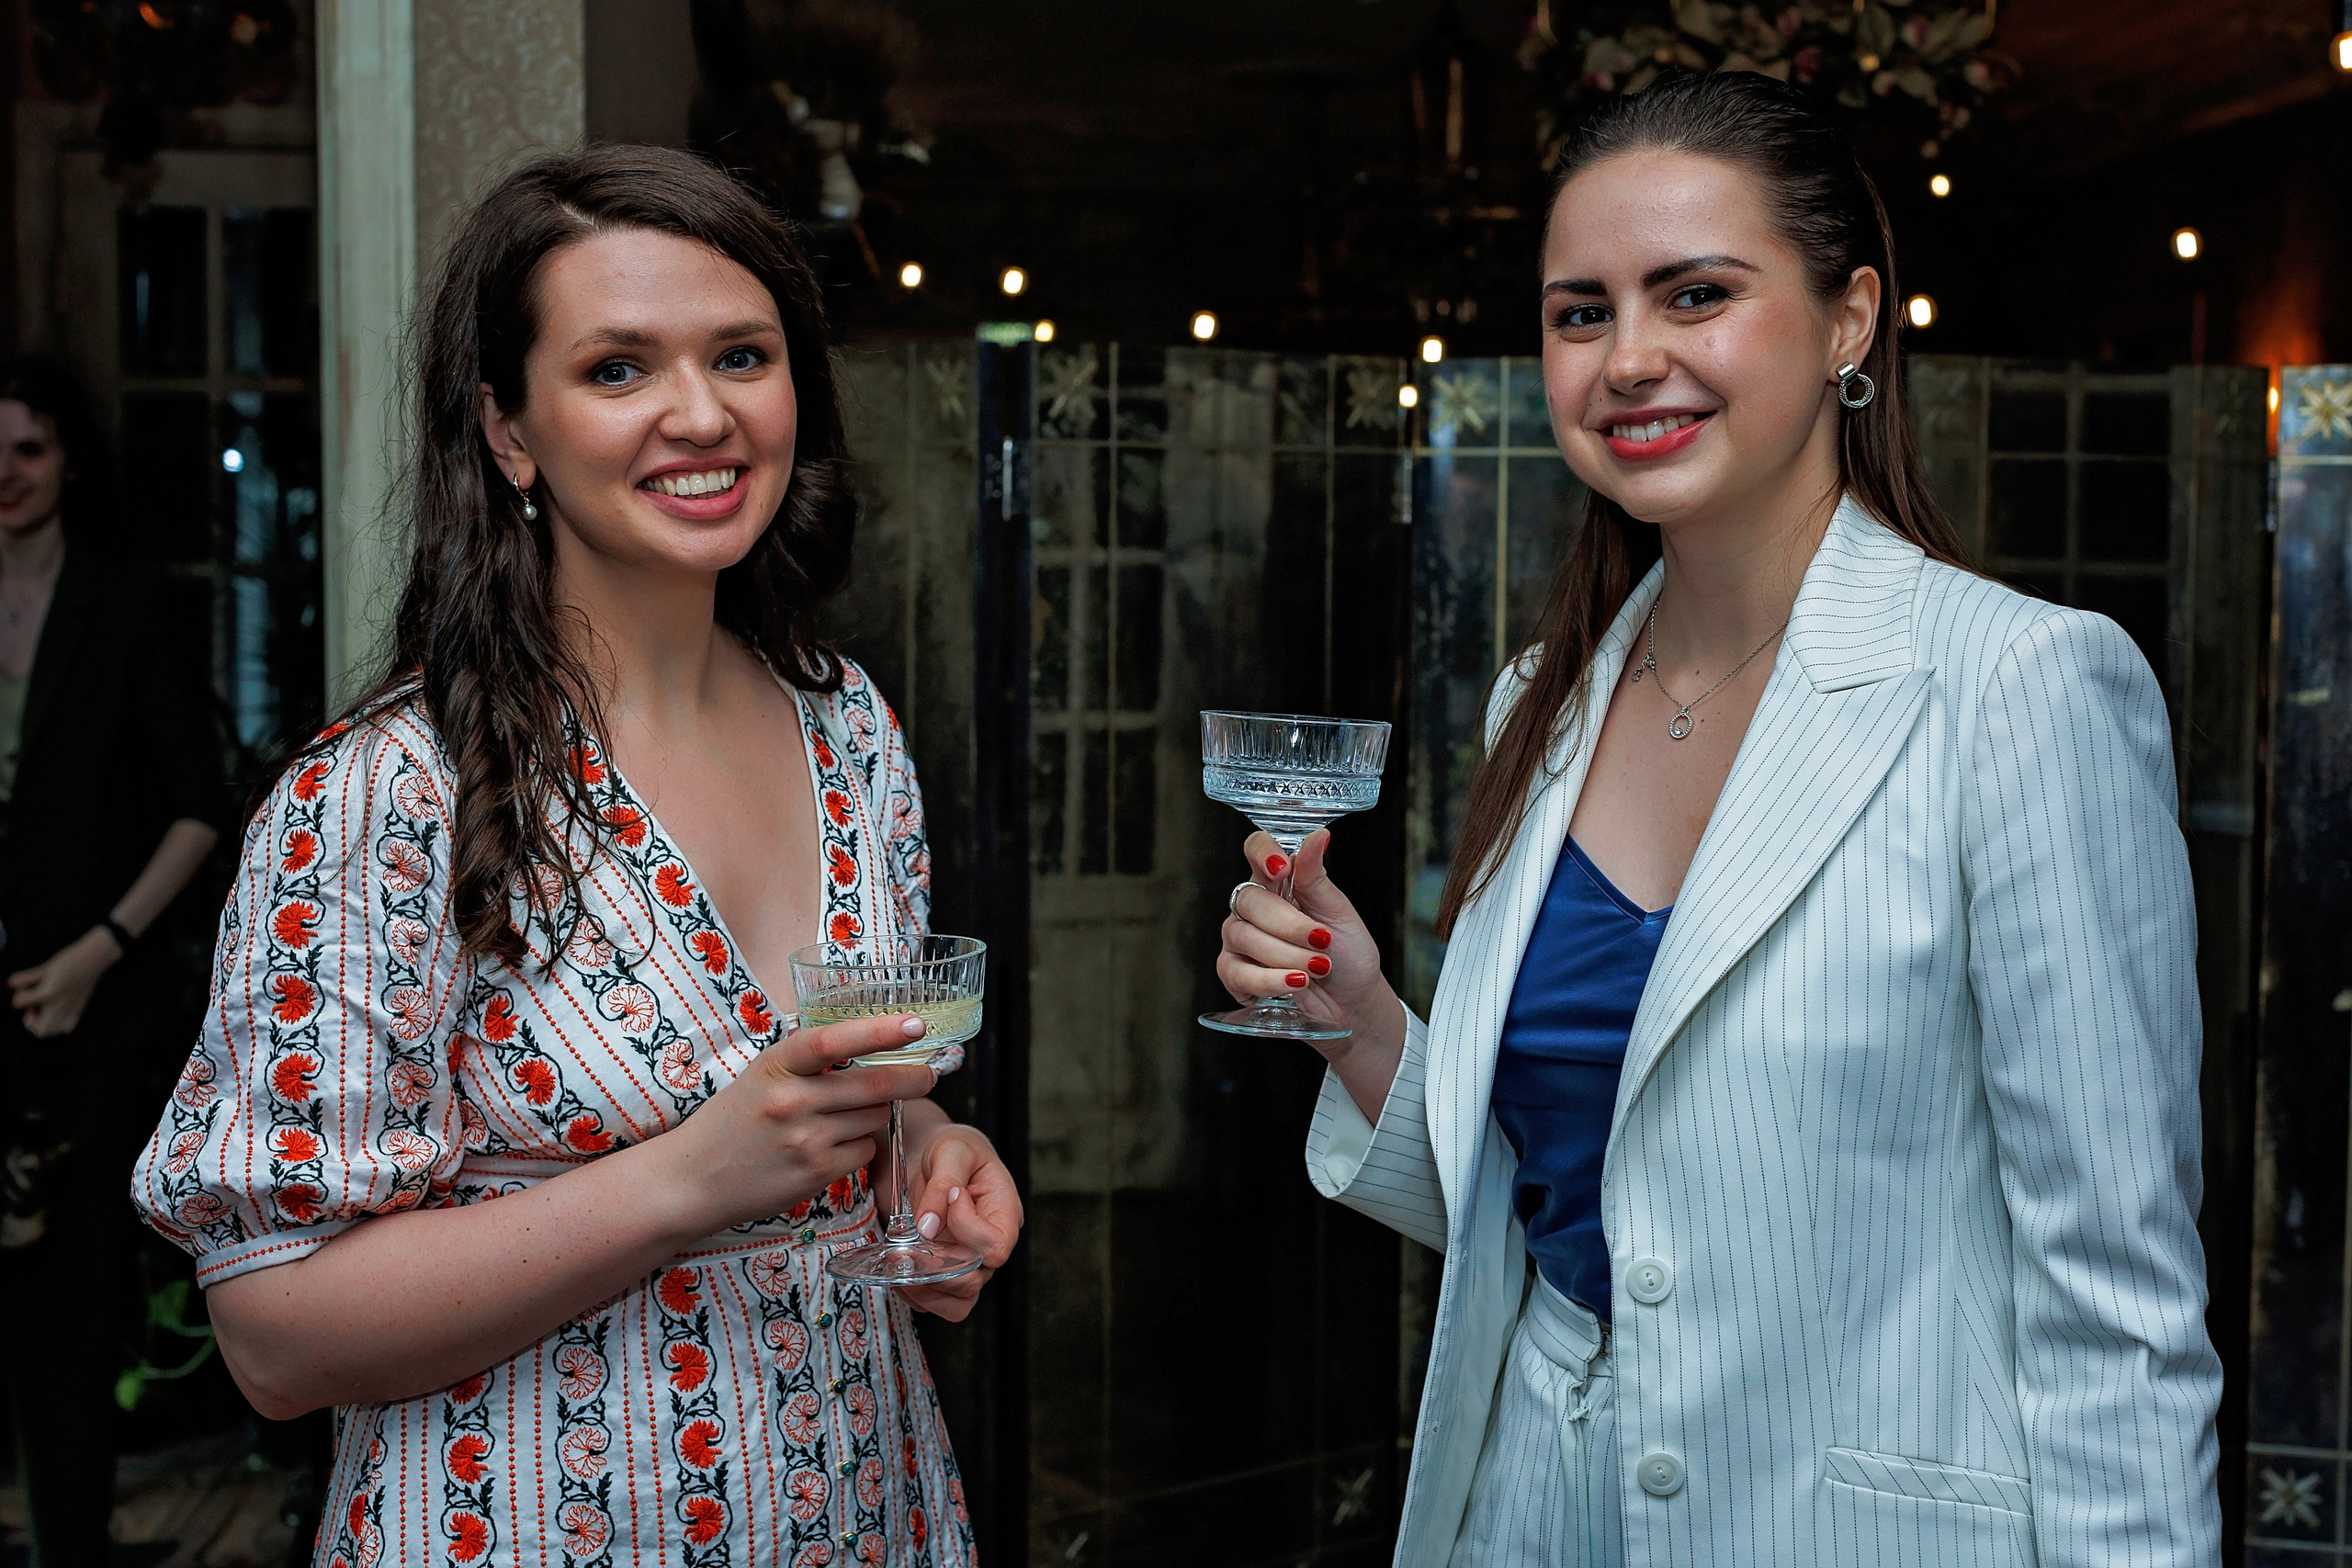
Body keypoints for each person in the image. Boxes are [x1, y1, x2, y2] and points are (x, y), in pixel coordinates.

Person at [1217, 73, 2220, 1568]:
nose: (1629, 360)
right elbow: (1559, 1222)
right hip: (1534, 1521)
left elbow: (2119, 1307)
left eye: (1695, 294)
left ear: (1848, 320)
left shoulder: (2017, 689)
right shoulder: (1536, 711)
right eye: (1579, 312)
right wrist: (1361, 1022)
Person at [131, 145, 1022, 1566]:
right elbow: (270, 1334)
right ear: (508, 432)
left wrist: (928, 1154)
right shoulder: (384, 793)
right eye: (617, 370)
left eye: (743, 354)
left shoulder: (845, 726)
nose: (700, 414)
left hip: (861, 1502)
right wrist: (684, 1180)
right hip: (536, 1524)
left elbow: (851, 1097)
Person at [0, 355, 224, 1564]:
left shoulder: (127, 606)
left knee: (70, 1328)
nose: (5, 473)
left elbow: (198, 807)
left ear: (69, 460)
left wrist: (102, 949)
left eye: (27, 446)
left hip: (89, 1020)